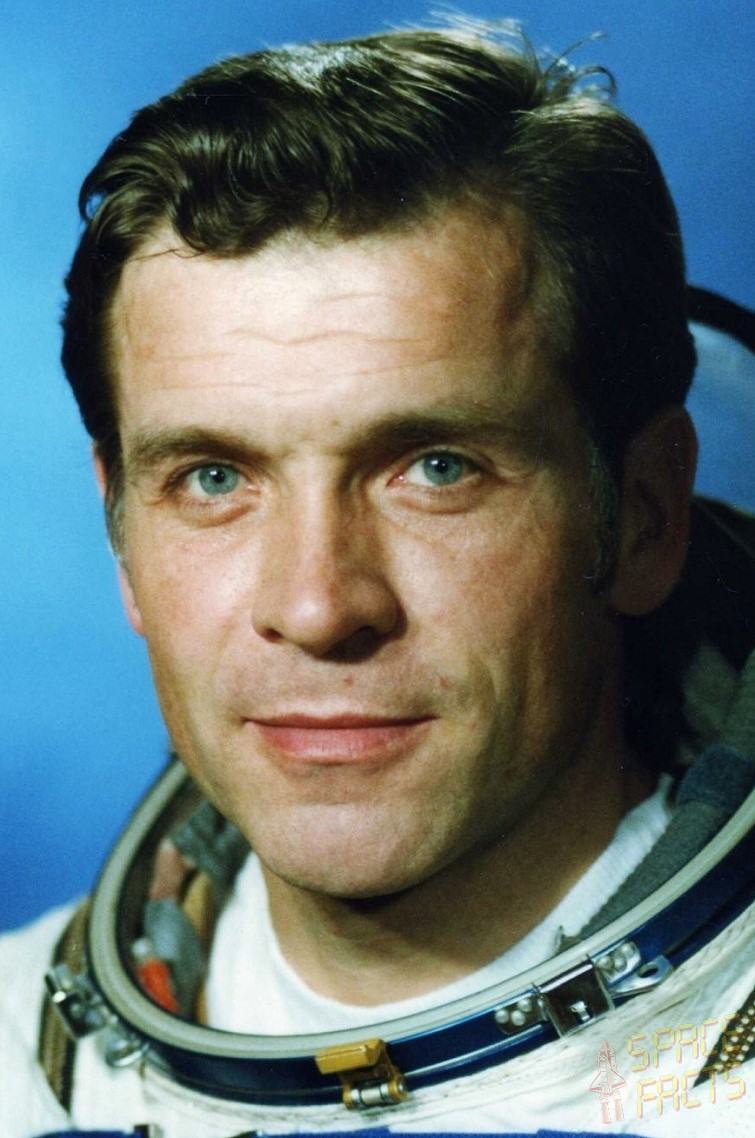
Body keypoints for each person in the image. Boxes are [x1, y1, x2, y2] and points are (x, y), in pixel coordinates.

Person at [2, 18, 754, 1138]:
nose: (316, 607)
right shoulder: (18, 1060)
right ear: (123, 537)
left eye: (435, 468)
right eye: (214, 478)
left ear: (641, 516)